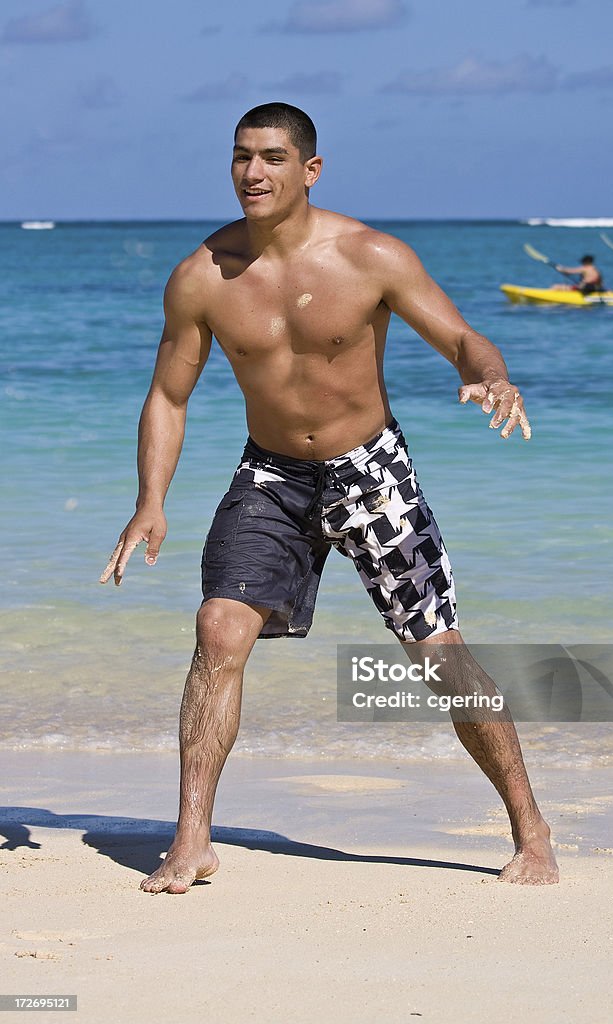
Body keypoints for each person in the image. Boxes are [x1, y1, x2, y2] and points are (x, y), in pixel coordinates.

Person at [100, 102, 559, 892]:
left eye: (273, 158)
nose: (253, 172)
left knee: (437, 659)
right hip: (269, 476)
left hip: (370, 470)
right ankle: (192, 839)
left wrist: (488, 375)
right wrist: (151, 498)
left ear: (310, 169)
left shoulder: (369, 255)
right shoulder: (202, 277)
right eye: (241, 156)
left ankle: (531, 829)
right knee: (217, 629)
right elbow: (168, 397)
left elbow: (456, 336)